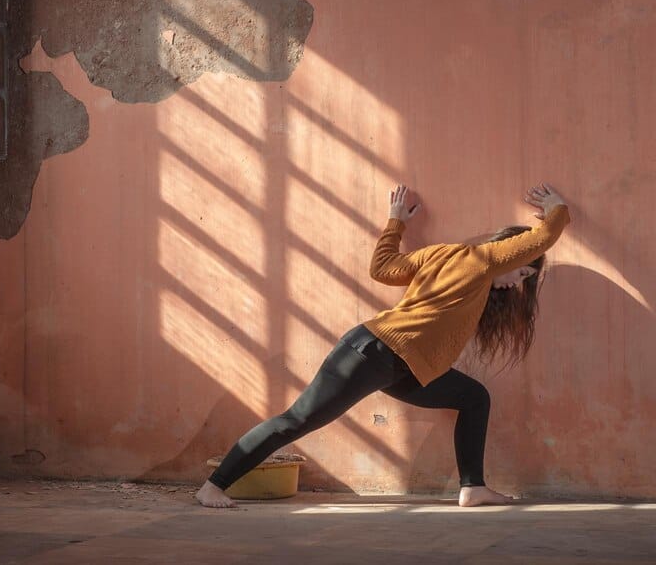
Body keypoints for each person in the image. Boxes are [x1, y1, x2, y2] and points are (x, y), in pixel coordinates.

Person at [196, 182, 570, 508]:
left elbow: (383, 268)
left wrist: (396, 223)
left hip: (405, 365)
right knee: (297, 420)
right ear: (510, 254)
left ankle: (473, 488)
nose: (516, 283)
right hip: (374, 352)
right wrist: (557, 208)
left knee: (473, 397)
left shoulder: (440, 255)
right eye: (521, 271)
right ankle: (213, 487)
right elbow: (544, 236)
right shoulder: (481, 259)